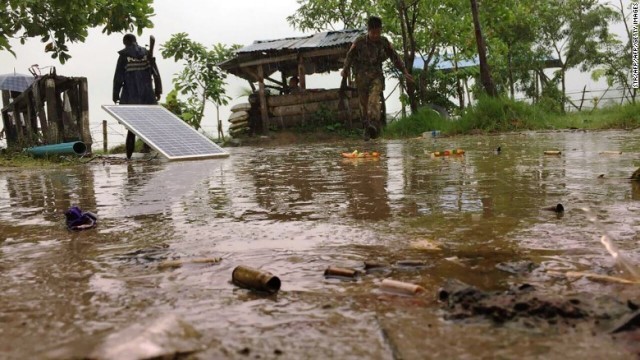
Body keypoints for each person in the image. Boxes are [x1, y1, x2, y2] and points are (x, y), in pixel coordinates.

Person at [342, 16, 413, 141]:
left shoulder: (383, 42)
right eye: (373, 32)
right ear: (368, 30)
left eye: (378, 32)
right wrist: (345, 70)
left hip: (376, 76)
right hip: (361, 78)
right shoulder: (359, 42)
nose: (376, 35)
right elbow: (349, 56)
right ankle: (367, 128)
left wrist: (404, 71)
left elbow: (394, 57)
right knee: (363, 105)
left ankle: (374, 125)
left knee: (374, 99)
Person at [112, 33, 162, 159]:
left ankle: (129, 157)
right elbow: (155, 73)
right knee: (148, 124)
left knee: (131, 127)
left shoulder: (124, 56)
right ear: (135, 41)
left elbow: (118, 77)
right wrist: (158, 90)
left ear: (125, 43)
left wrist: (115, 94)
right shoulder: (147, 54)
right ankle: (149, 149)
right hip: (147, 95)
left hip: (130, 95)